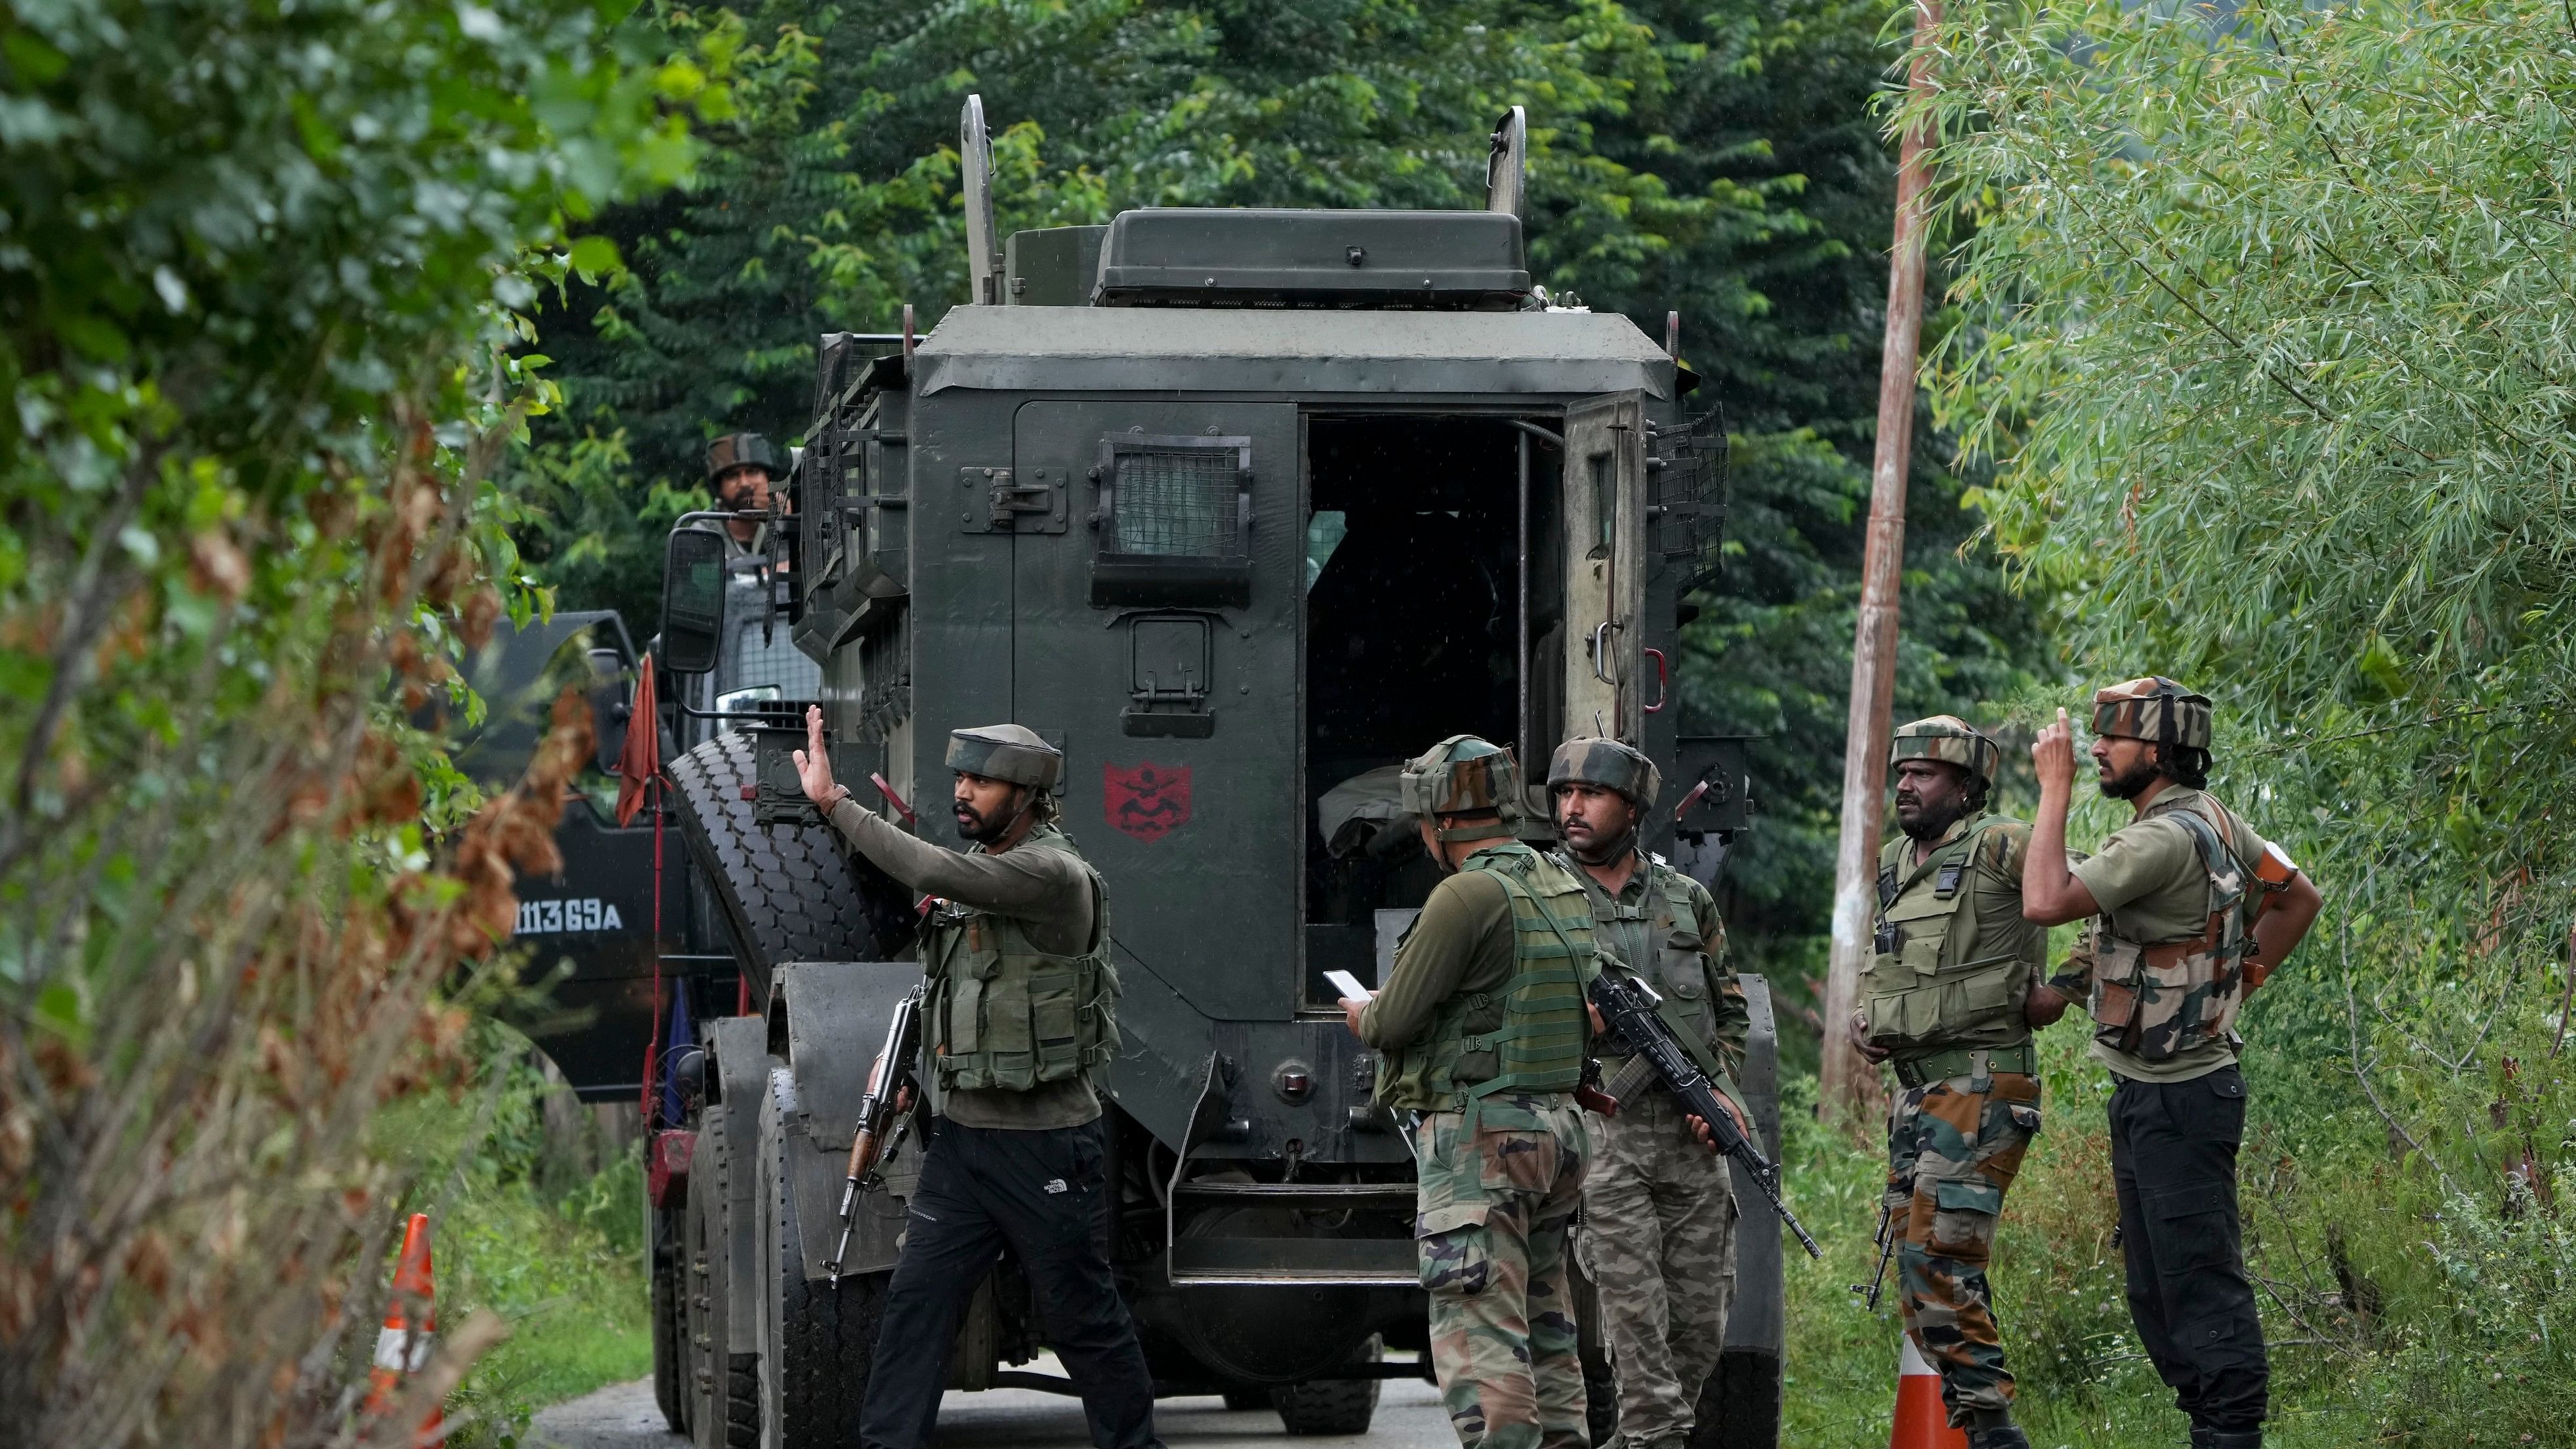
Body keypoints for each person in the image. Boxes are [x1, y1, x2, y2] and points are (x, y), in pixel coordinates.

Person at [790, 707, 1160, 1449]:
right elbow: (959, 986)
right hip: (962, 1142)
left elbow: (928, 868)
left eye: (980, 783)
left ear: (1025, 797)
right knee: (917, 1306)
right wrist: (911, 1070)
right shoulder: (986, 877)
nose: (962, 793)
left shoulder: (1047, 874)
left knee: (1082, 1317)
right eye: (959, 777)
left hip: (1045, 1144)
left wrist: (834, 804)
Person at [2020, 679, 2322, 1449]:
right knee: (2157, 1291)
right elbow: (2297, 899)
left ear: (2152, 752)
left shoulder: (2157, 839)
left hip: (2180, 1101)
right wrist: (2231, 981)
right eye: (2088, 740)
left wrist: (2051, 787)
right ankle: (2210, 1429)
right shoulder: (2211, 818)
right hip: (2159, 1092)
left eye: (2107, 740)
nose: (2092, 749)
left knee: (2198, 1290)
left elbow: (2045, 899)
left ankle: (2228, 1435)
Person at [1340, 735, 1594, 1449]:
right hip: (1555, 1132)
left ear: (1437, 820)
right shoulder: (1558, 881)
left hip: (1483, 1139)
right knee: (1546, 1322)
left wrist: (1363, 1013)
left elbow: (1393, 1021)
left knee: (1479, 1323)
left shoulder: (1465, 894)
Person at [1850, 717, 2052, 1449]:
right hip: (1918, 1094)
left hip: (1982, 1084)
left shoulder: (2003, 843)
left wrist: (2060, 989)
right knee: (1920, 1275)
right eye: (1901, 773)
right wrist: (1870, 1020)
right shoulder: (1893, 862)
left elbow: (2096, 896)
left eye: (1924, 774)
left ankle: (1995, 1435)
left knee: (1936, 1261)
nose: (1905, 785)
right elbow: (1902, 966)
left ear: (1965, 785)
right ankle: (1980, 1428)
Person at [1544, 736, 1749, 1449]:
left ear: (1630, 809)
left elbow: (1729, 1015)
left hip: (1688, 1137)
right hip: (1602, 1133)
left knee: (1699, 1321)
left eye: (1590, 795)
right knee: (1634, 1316)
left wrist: (1722, 1098)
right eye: (1563, 794)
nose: (1572, 808)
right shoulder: (1538, 899)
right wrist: (1572, 1020)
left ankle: (1642, 1439)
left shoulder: (1685, 900)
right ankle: (1653, 1440)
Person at [703, 431, 783, 555]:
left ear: (768, 479)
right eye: (733, 476)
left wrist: (788, 520)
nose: (744, 483)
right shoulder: (703, 536)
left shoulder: (791, 522)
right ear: (719, 488)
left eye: (753, 472)